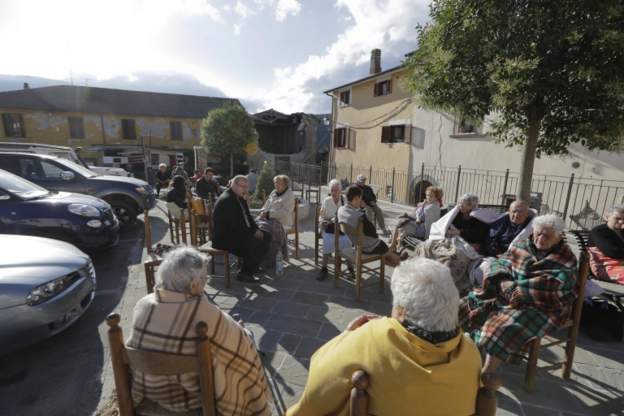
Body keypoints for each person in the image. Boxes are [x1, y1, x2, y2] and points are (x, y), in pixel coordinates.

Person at [287, 258, 482, 416]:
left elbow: (315, 394)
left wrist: (347, 336)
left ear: (401, 311)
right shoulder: (470, 353)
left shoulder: (368, 338)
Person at [127, 247, 271, 415]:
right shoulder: (203, 311)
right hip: (190, 402)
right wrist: (242, 331)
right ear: (194, 285)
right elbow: (239, 346)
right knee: (247, 340)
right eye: (204, 278)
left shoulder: (143, 305)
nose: (205, 282)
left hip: (151, 393)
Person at [460, 214, 578, 375]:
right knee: (463, 305)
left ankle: (485, 375)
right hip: (506, 294)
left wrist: (516, 290)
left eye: (547, 236)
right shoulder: (522, 246)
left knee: (499, 328)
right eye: (538, 233)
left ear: (558, 237)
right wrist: (503, 282)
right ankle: (463, 357)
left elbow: (553, 286)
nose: (541, 238)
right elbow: (500, 262)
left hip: (543, 305)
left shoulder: (566, 259)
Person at [213, 175, 271, 282]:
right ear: (234, 185)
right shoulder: (227, 200)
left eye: (246, 187)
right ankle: (244, 274)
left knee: (267, 236)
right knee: (257, 243)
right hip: (224, 238)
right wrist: (253, 233)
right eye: (242, 187)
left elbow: (248, 218)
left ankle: (253, 265)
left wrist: (256, 229)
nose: (245, 190)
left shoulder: (238, 197)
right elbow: (236, 225)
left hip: (237, 233)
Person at [338, 185, 401, 267]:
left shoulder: (341, 210)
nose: (361, 200)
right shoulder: (359, 216)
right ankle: (400, 263)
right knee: (385, 247)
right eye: (361, 198)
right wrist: (363, 209)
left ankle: (395, 261)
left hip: (358, 245)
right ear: (356, 198)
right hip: (368, 247)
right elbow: (372, 232)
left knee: (385, 254)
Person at [318, 179, 353, 281]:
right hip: (328, 228)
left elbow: (349, 216)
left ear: (340, 190)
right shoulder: (326, 200)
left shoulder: (345, 200)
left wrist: (340, 220)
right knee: (328, 240)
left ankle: (350, 266)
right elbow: (321, 216)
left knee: (347, 240)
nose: (334, 192)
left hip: (341, 228)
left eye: (336, 190)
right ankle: (324, 268)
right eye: (332, 190)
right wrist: (324, 223)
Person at [257, 175, 295, 265]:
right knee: (256, 228)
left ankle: (272, 258)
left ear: (285, 184)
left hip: (283, 222)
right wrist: (262, 212)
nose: (276, 185)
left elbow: (285, 212)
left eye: (278, 183)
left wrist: (268, 215)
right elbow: (266, 205)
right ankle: (261, 255)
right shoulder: (274, 192)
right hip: (268, 220)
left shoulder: (289, 195)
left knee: (267, 232)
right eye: (275, 183)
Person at [589, 205, 624, 284]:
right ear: (607, 217)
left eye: (623, 219)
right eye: (617, 218)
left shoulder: (621, 231)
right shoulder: (598, 231)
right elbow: (613, 252)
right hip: (605, 268)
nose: (621, 221)